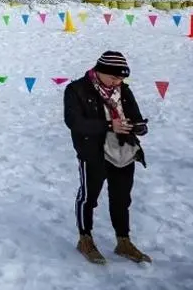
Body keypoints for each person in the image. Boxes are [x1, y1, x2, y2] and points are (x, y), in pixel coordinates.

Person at [64, 51, 151, 264]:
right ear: (100, 71)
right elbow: (74, 122)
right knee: (88, 197)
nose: (117, 82)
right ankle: (85, 238)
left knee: (121, 199)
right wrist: (109, 125)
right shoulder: (76, 89)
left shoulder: (123, 90)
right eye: (113, 77)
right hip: (93, 151)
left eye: (121, 78)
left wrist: (139, 127)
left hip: (123, 151)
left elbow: (136, 117)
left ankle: (123, 241)